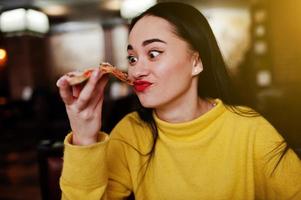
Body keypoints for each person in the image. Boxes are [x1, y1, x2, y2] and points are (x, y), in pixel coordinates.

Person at [56, 2, 301, 199]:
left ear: (196, 61)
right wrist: (84, 135)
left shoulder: (249, 129)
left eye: (153, 54)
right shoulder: (132, 133)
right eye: (132, 58)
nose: (137, 70)